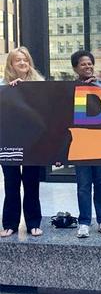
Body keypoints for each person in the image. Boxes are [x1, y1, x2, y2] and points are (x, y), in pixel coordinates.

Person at [0, 47, 44, 237]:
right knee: (11, 183)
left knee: (31, 182)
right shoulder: (2, 85)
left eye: (25, 59)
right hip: (8, 141)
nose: (22, 63)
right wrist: (12, 91)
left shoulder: (40, 84)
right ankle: (10, 223)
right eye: (18, 60)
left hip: (33, 142)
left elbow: (47, 112)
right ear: (10, 64)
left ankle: (34, 222)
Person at [71, 50, 101, 238]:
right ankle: (84, 222)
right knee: (83, 185)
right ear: (75, 68)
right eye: (83, 64)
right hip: (80, 144)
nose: (87, 67)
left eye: (89, 63)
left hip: (100, 143)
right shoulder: (70, 89)